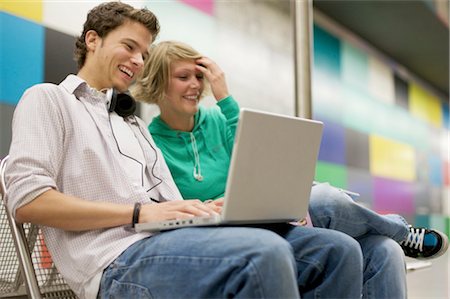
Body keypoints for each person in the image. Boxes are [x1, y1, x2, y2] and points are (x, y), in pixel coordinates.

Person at [4, 3, 369, 299]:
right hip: (116, 263)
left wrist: (207, 209)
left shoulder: (131, 125)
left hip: (173, 240)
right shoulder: (49, 99)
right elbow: (28, 202)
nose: (137, 61)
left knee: (337, 251)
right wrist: (140, 213)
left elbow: (169, 202)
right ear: (93, 40)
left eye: (144, 54)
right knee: (263, 253)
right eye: (129, 47)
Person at [132, 40, 449, 298]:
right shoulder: (150, 141)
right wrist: (207, 207)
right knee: (328, 200)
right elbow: (169, 206)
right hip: (226, 230)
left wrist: (224, 95)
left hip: (268, 213)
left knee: (384, 250)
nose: (195, 85)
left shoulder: (218, 119)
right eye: (183, 77)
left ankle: (396, 237)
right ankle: (402, 231)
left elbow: (258, 158)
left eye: (199, 76)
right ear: (159, 82)